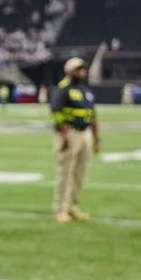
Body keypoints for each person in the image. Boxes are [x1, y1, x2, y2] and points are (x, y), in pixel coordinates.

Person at [49, 57, 99, 223]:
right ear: (70, 71)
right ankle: (60, 209)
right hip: (69, 132)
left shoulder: (86, 90)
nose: (81, 72)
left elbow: (92, 115)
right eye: (78, 69)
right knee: (65, 172)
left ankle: (72, 206)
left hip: (84, 133)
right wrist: (63, 135)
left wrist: (96, 137)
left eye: (82, 69)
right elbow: (56, 112)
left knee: (80, 173)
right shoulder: (63, 88)